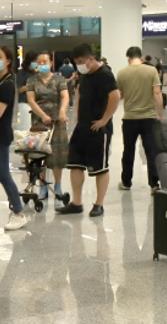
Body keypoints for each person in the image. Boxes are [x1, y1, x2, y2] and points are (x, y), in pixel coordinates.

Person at [56, 44, 121, 218]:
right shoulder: (84, 75)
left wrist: (105, 120)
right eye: (76, 62)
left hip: (99, 129)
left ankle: (99, 204)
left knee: (100, 167)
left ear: (91, 58)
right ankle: (77, 203)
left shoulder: (105, 74)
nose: (79, 65)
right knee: (75, 165)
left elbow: (115, 96)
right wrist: (77, 117)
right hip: (82, 127)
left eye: (81, 61)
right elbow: (79, 94)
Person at [26, 52, 70, 205]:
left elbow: (65, 96)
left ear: (51, 63)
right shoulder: (32, 80)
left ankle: (57, 186)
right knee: (40, 155)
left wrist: (63, 111)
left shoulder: (59, 79)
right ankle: (43, 186)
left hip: (58, 122)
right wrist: (43, 115)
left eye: (45, 61)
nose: (42, 64)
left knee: (58, 155)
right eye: (39, 62)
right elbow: (31, 100)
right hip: (39, 122)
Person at [117, 46, 162, 192]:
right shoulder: (152, 70)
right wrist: (160, 114)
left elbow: (120, 96)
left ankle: (126, 182)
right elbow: (157, 93)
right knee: (151, 151)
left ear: (128, 58)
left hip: (129, 118)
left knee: (128, 151)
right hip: (149, 118)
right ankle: (154, 184)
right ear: (141, 57)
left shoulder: (122, 73)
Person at [0, 46, 27, 231]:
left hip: (1, 136)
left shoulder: (7, 84)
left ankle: (18, 212)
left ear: (8, 61)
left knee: (3, 174)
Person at [15, 52, 37, 133]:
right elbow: (18, 89)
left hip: (36, 105)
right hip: (24, 104)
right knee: (25, 130)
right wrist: (30, 87)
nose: (36, 63)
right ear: (29, 61)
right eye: (35, 61)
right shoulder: (21, 73)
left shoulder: (35, 73)